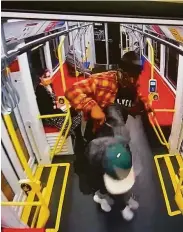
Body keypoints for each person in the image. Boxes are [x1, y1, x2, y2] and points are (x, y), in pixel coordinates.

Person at [35, 69, 82, 138]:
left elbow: (53, 101)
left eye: (49, 76)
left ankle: (78, 135)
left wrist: (62, 106)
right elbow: (46, 109)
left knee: (76, 111)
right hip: (50, 116)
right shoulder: (40, 91)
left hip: (55, 109)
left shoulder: (49, 86)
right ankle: (75, 135)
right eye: (45, 77)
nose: (48, 78)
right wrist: (62, 111)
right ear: (40, 78)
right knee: (73, 115)